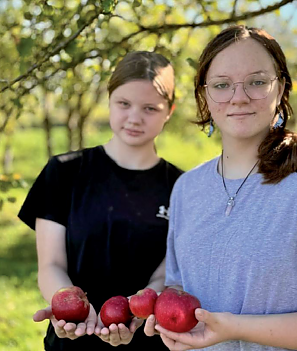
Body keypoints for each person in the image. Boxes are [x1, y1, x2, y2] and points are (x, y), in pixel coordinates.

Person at [151, 25, 297, 351]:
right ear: (204, 96)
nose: (239, 96)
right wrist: (152, 310)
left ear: (281, 89)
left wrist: (235, 328)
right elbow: (178, 288)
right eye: (222, 85)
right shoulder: (187, 189)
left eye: (257, 82)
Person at [18, 51, 183, 350]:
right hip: (72, 337)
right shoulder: (64, 172)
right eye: (124, 104)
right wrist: (68, 302)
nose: (134, 117)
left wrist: (138, 310)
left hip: (148, 339)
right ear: (109, 101)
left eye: (150, 108)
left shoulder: (183, 187)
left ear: (169, 111)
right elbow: (51, 264)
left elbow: (167, 272)